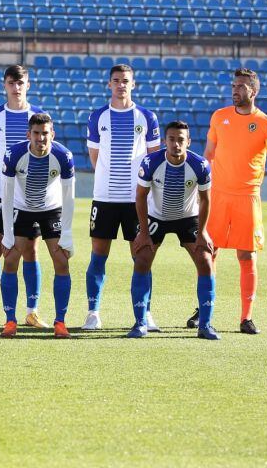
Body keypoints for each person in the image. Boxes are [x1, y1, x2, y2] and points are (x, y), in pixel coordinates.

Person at [194, 67, 267, 336]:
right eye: (234, 85)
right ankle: (204, 308)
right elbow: (208, 155)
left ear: (254, 91)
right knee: (208, 252)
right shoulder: (219, 116)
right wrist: (199, 189)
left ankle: (246, 318)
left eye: (242, 86)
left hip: (247, 198)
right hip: (218, 196)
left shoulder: (266, 124)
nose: (235, 90)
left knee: (247, 255)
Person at [82, 64, 161, 332]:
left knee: (141, 257)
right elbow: (95, 158)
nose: (120, 85)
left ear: (133, 84)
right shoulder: (98, 117)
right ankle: (93, 312)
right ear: (109, 84)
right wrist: (108, 179)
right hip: (104, 198)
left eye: (125, 81)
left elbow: (153, 157)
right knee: (98, 255)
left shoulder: (147, 117)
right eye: (116, 80)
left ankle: (145, 313)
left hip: (136, 201)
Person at [129, 121, 217, 339]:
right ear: (164, 141)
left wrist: (203, 231)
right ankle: (140, 323)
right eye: (172, 139)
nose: (176, 144)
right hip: (157, 216)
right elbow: (140, 197)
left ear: (188, 142)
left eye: (181, 140)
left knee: (206, 261)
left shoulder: (200, 165)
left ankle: (205, 325)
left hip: (188, 217)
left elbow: (206, 200)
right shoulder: (151, 162)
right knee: (141, 259)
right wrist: (143, 232)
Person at [0, 64, 46, 328]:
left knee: (31, 251)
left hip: (31, 199)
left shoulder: (38, 117)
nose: (16, 88)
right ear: (4, 85)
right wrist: (1, 182)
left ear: (28, 84)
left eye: (21, 83)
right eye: (11, 83)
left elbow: (44, 153)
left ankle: (32, 311)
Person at [0, 113, 76, 338]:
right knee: (11, 258)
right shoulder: (14, 155)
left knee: (61, 261)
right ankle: (10, 320)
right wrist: (8, 234)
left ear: (52, 134)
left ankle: (60, 322)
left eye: (45, 133)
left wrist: (67, 234)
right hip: (22, 209)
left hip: (51, 210)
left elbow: (69, 196)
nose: (41, 138)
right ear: (28, 135)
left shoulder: (63, 156)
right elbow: (6, 194)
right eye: (36, 133)